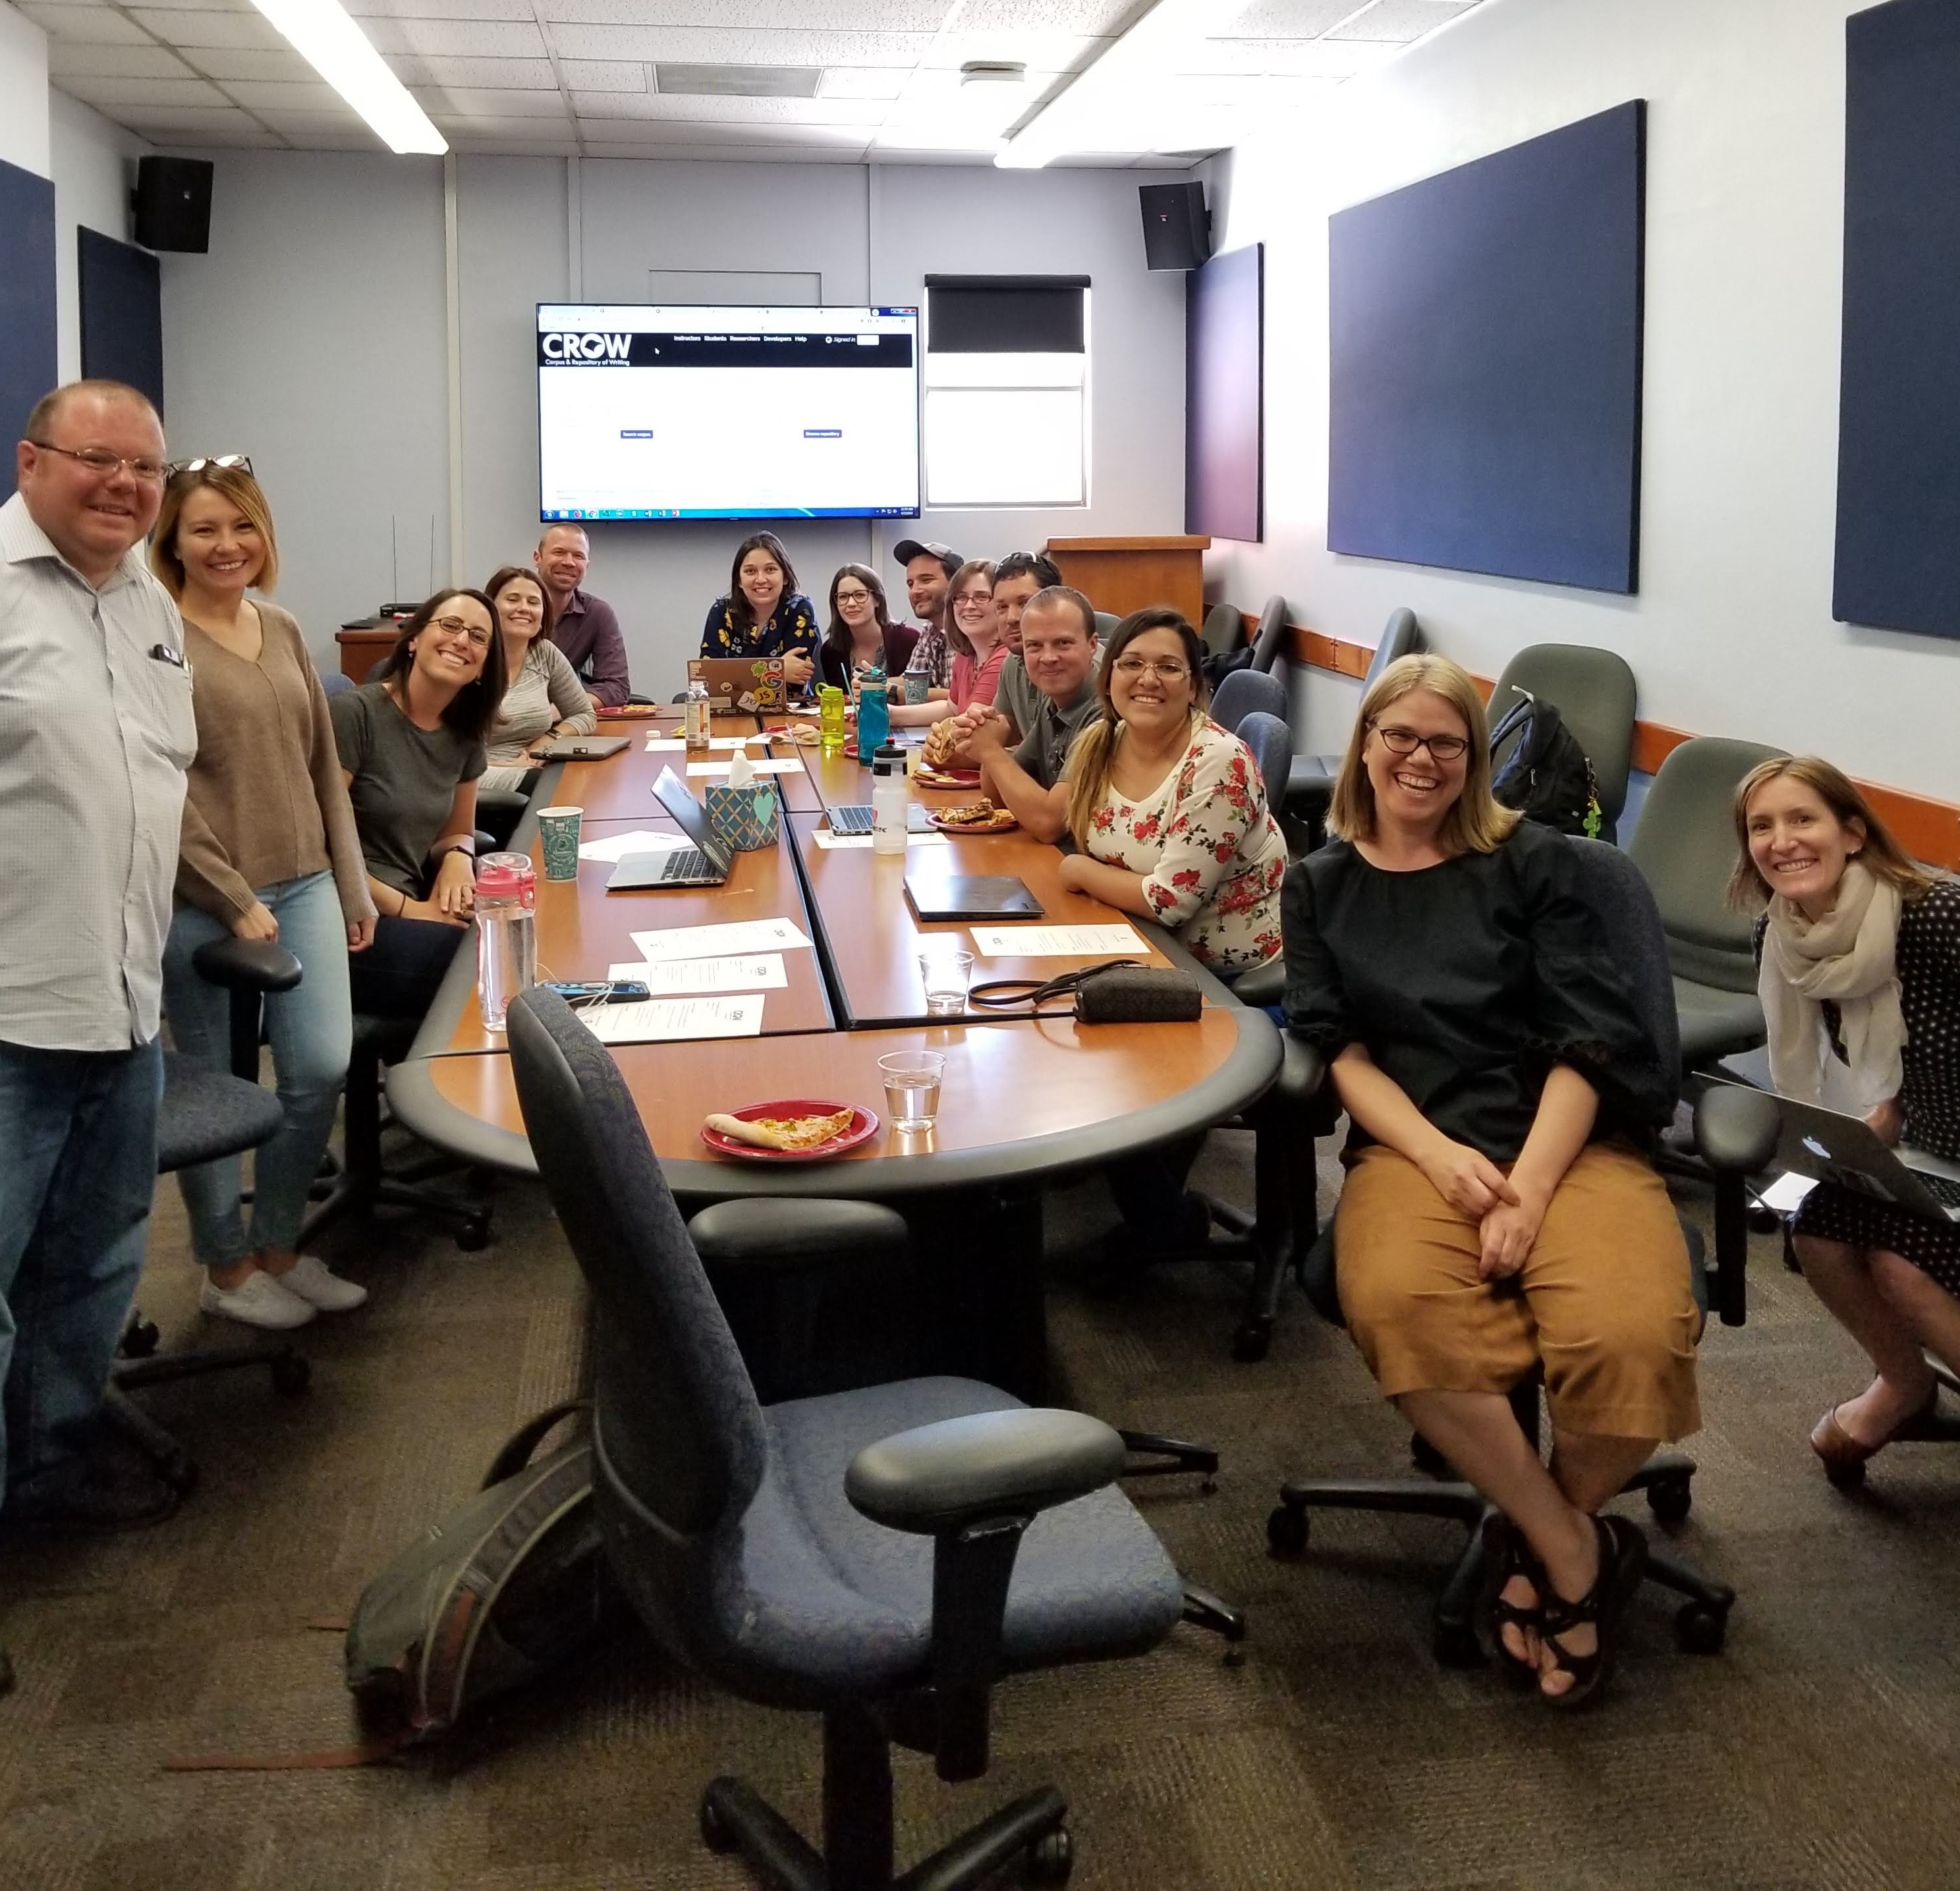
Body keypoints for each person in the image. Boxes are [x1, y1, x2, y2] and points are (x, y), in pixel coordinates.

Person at [1284, 653, 1696, 1707]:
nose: (1419, 759)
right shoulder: (1318, 881)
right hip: (1416, 1142)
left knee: (1628, 1330)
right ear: (1365, 741)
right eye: (1399, 736)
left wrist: (1529, 1185)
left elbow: (1585, 1038)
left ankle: (1535, 1542)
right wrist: (1431, 1152)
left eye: (1445, 742)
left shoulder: (1534, 863)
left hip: (1567, 1139)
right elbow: (1339, 1051)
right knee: (1397, 1300)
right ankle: (1571, 1547)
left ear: (1472, 760)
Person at [0, 381, 196, 1570]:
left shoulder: (145, 599)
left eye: (146, 469)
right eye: (96, 460)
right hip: (12, 1012)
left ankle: (46, 1467)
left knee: (97, 1260)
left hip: (125, 1004)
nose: (124, 484)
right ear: (31, 462)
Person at [152, 458, 375, 1332]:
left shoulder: (280, 626)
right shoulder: (157, 638)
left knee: (318, 1063)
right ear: (171, 538)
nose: (226, 544)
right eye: (204, 528)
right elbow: (158, 787)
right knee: (213, 1089)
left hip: (310, 877)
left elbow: (324, 768)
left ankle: (280, 1241)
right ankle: (226, 1264)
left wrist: (351, 885)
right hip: (206, 898)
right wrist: (233, 894)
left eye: (241, 526)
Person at [1731, 757, 1960, 1477]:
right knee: (1817, 1225)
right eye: (1759, 826)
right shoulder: (1784, 939)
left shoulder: (1936, 916)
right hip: (1932, 1150)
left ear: (1853, 833)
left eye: (1802, 818)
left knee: (1901, 1267)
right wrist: (1880, 1116)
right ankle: (1904, 1383)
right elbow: (1883, 1058)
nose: (1781, 841)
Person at [1057, 608, 1285, 975]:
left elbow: (1170, 902)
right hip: (1135, 944)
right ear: (1109, 676)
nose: (1148, 679)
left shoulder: (1220, 761)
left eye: (1168, 667)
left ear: (1194, 685)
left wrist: (1079, 871)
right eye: (1131, 664)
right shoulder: (1100, 742)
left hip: (1223, 981)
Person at [329, 590, 505, 1022]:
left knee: (508, 931)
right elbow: (318, 847)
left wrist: (459, 860)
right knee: (479, 966)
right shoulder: (356, 714)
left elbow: (456, 831)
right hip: (345, 915)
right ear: (413, 640)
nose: (462, 640)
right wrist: (413, 911)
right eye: (450, 625)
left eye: (478, 636)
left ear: (484, 665)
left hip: (407, 906)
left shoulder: (464, 734)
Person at [953, 584, 1101, 840]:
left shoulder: (1105, 709)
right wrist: (988, 738)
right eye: (1034, 646)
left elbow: (1050, 824)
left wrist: (991, 751)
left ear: (1093, 645)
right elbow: (996, 799)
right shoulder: (1052, 701)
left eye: (1063, 643)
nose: (1048, 657)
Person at [480, 564, 596, 795]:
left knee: (589, 779)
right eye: (513, 600)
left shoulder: (544, 653)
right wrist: (511, 767)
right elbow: (448, 751)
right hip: (474, 774)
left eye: (534, 602)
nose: (524, 609)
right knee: (557, 788)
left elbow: (585, 715)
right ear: (490, 606)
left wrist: (545, 743)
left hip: (532, 767)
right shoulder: (472, 656)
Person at [700, 533, 818, 689]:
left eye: (770, 569)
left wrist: (737, 674)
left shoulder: (800, 609)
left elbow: (797, 678)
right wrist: (778, 670)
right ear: (739, 581)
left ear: (785, 577)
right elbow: (709, 677)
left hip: (792, 710)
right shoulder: (722, 612)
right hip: (730, 710)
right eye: (750, 571)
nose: (761, 579)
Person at [533, 523, 630, 709]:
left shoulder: (597, 613)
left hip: (560, 719)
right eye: (559, 552)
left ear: (587, 565)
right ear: (537, 558)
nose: (569, 562)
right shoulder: (509, 607)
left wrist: (560, 710)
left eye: (578, 556)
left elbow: (616, 687)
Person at [988, 551, 1065, 743]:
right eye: (1002, 607)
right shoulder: (1012, 662)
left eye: (1024, 603)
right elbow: (1002, 738)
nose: (1012, 618)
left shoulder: (1072, 667)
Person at [816, 564, 917, 692]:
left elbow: (919, 692)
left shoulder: (909, 640)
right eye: (843, 597)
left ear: (877, 600)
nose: (851, 604)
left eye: (859, 595)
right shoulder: (830, 652)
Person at [893, 538, 959, 695]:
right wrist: (871, 682)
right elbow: (911, 680)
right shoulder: (930, 629)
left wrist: (891, 692)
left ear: (955, 583)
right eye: (910, 584)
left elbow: (959, 698)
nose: (915, 591)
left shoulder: (969, 630)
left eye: (926, 580)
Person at [945, 559, 1009, 714]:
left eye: (982, 597)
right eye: (960, 597)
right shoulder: (966, 656)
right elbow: (951, 709)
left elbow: (969, 723)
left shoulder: (1006, 658)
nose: (969, 606)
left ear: (1002, 605)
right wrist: (890, 713)